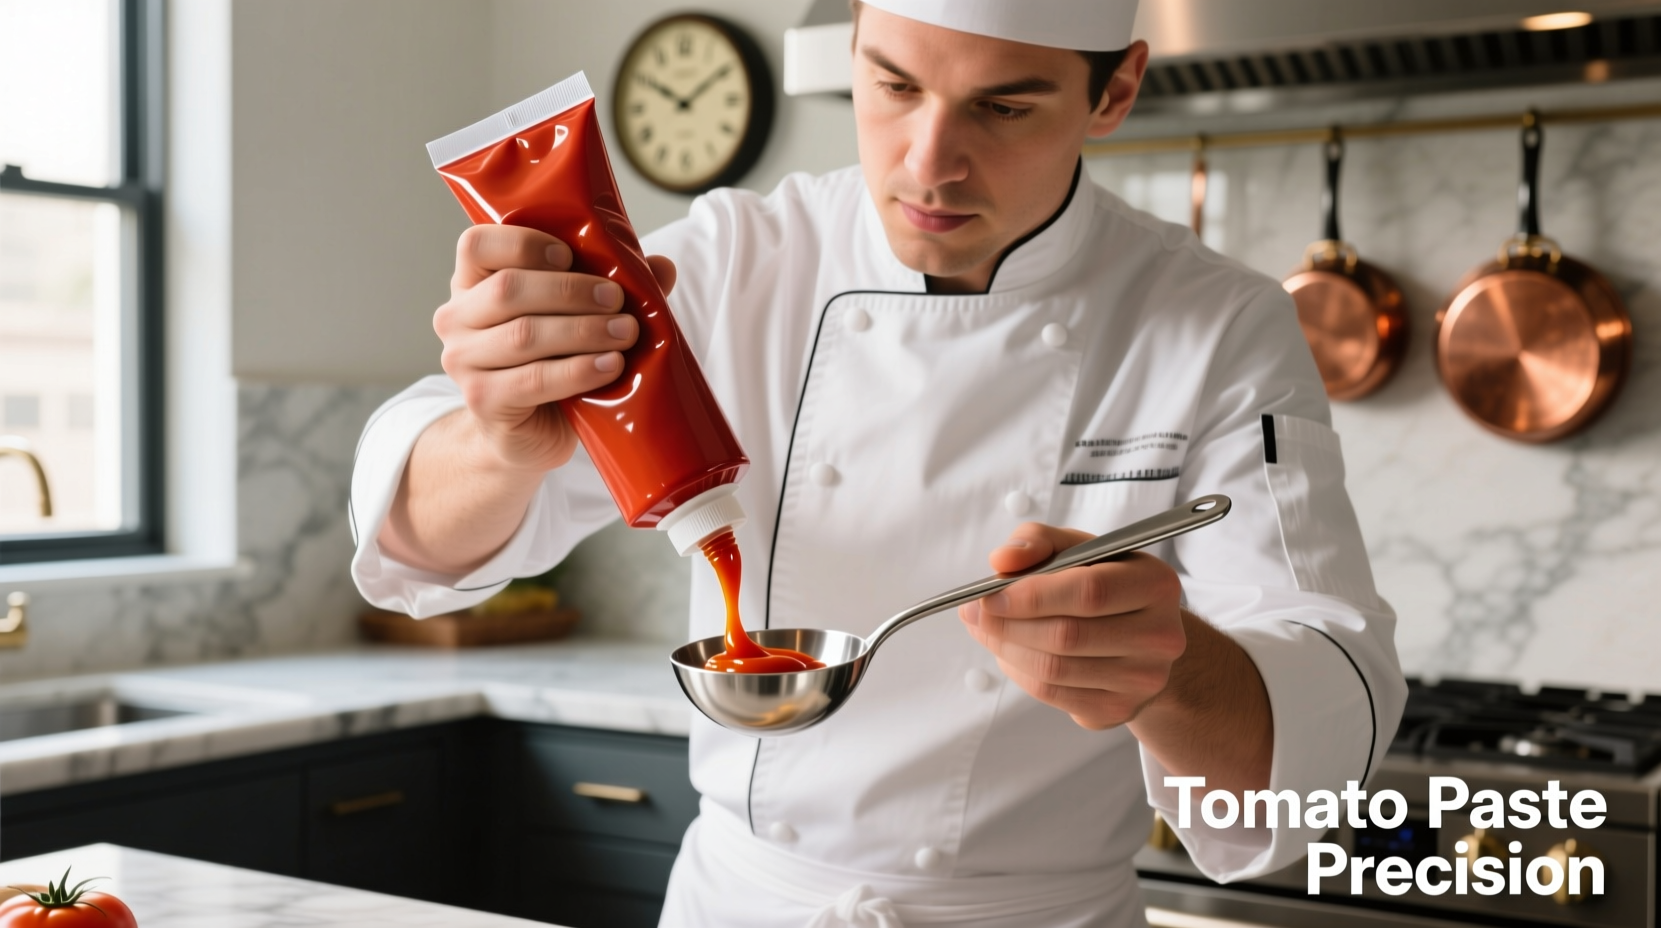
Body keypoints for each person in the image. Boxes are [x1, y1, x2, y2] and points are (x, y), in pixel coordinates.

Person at [349, 0, 1405, 924]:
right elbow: (414, 551)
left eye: (1002, 107)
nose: (927, 162)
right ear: (851, 40)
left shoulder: (1214, 325)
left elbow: (1314, 742)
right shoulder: (732, 263)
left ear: (1114, 89)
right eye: (891, 84)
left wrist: (1170, 665)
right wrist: (496, 442)